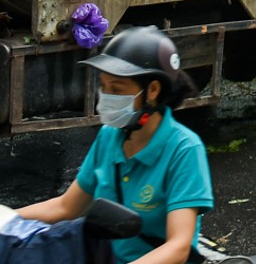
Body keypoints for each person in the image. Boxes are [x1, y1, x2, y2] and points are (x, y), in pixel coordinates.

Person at [11, 27, 214, 264]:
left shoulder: (184, 149)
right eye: (104, 87)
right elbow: (66, 206)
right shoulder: (109, 136)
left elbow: (178, 247)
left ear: (153, 90)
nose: (106, 96)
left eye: (116, 89)